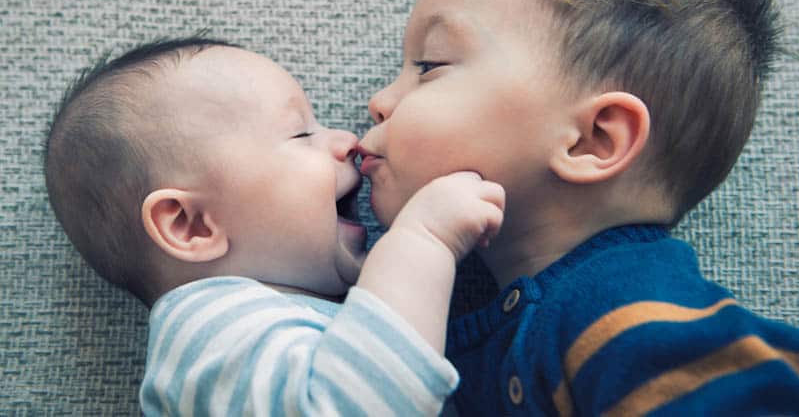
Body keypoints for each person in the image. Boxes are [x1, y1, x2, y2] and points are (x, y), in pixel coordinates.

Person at [359, 0, 799, 415]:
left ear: (592, 141)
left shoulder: (633, 313)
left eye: (430, 65)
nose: (378, 102)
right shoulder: (465, 322)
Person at [43, 37, 505, 416]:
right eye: (301, 134)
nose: (347, 141)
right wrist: (422, 240)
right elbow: (361, 405)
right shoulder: (210, 333)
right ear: (192, 225)